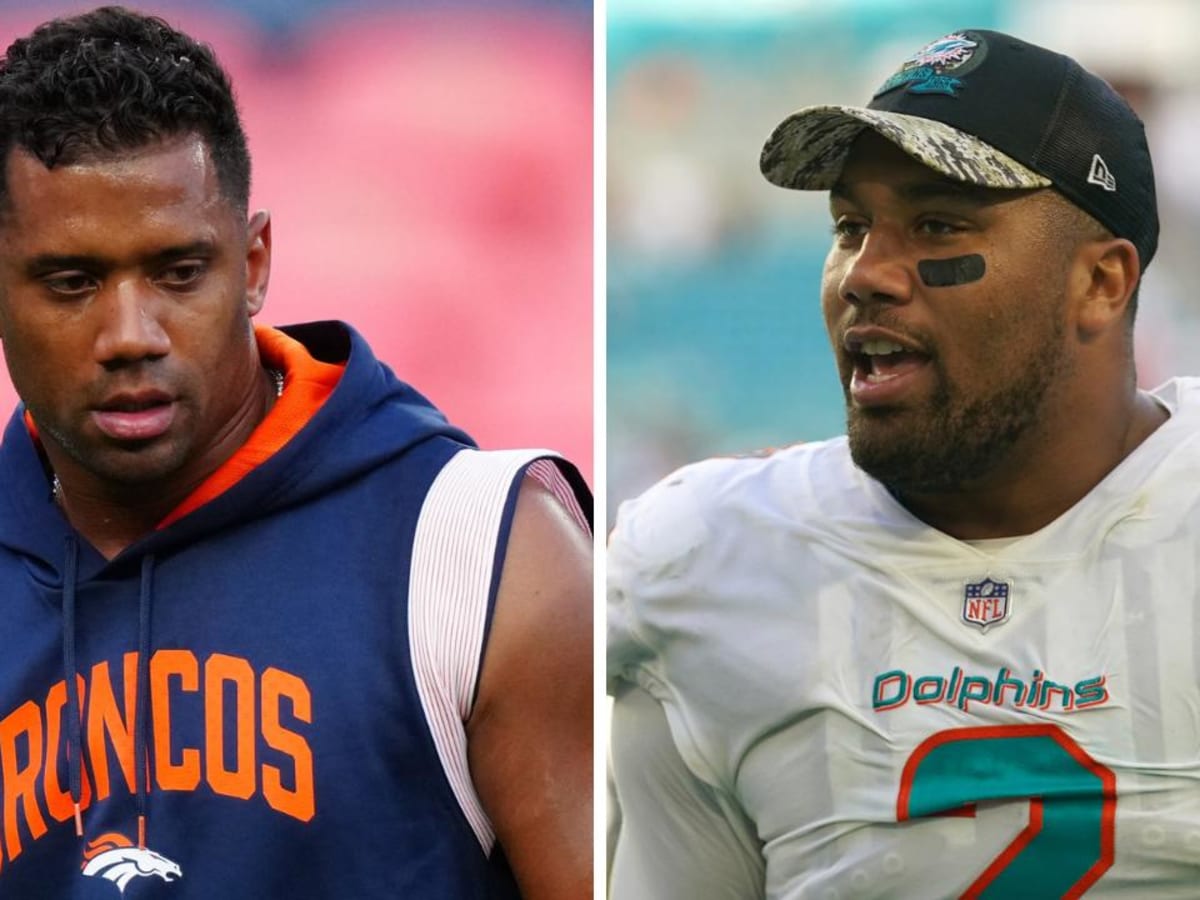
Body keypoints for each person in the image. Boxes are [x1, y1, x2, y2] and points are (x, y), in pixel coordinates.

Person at [0, 6, 592, 899]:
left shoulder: (482, 556)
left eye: (178, 272)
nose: (129, 334)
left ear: (256, 261)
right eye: (71, 282)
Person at [608, 28, 1200, 898]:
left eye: (935, 224)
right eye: (850, 226)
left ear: (1101, 284)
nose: (865, 274)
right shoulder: (706, 565)